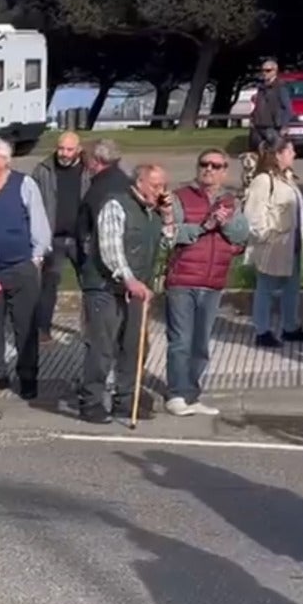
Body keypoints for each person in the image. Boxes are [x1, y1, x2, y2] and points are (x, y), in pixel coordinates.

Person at [76, 163, 174, 424]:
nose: (160, 191)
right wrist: (129, 279)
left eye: (163, 186)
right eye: (155, 186)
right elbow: (111, 249)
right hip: (106, 287)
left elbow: (166, 245)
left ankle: (126, 399)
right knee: (102, 347)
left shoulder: (152, 213)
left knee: (134, 346)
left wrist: (167, 218)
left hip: (137, 288)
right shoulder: (116, 205)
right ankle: (92, 401)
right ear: (139, 183)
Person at [162, 150, 252, 416]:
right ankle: (176, 393)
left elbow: (241, 236)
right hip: (183, 278)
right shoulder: (181, 197)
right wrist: (204, 226)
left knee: (200, 342)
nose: (209, 170)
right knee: (180, 339)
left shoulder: (229, 201)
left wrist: (224, 224)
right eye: (204, 164)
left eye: (216, 166)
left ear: (225, 171)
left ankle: (191, 393)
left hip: (213, 281)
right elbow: (170, 234)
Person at [0, 136, 51, 399]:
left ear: (4, 161)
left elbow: (39, 224)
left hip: (21, 266)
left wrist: (36, 258)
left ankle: (28, 376)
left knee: (24, 325)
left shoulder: (24, 184)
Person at [242, 133, 303, 347]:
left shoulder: (287, 177)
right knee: (266, 288)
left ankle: (290, 327)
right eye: (290, 151)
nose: (294, 154)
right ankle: (262, 331)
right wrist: (266, 236)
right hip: (273, 245)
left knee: (292, 287)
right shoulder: (263, 181)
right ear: (278, 154)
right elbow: (253, 216)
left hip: (292, 245)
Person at [30, 131, 86, 343]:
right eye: (61, 148)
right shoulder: (43, 170)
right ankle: (42, 330)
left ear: (78, 150)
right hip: (53, 237)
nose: (64, 153)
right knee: (48, 284)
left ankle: (90, 329)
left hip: (80, 237)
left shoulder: (88, 170)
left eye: (69, 149)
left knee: (89, 283)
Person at [247, 57, 292, 152]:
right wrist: (253, 119)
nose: (264, 73)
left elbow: (287, 108)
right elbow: (257, 105)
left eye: (268, 70)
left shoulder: (280, 87)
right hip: (258, 126)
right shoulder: (261, 87)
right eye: (263, 70)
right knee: (258, 155)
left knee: (273, 155)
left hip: (273, 127)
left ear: (275, 71)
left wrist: (284, 126)